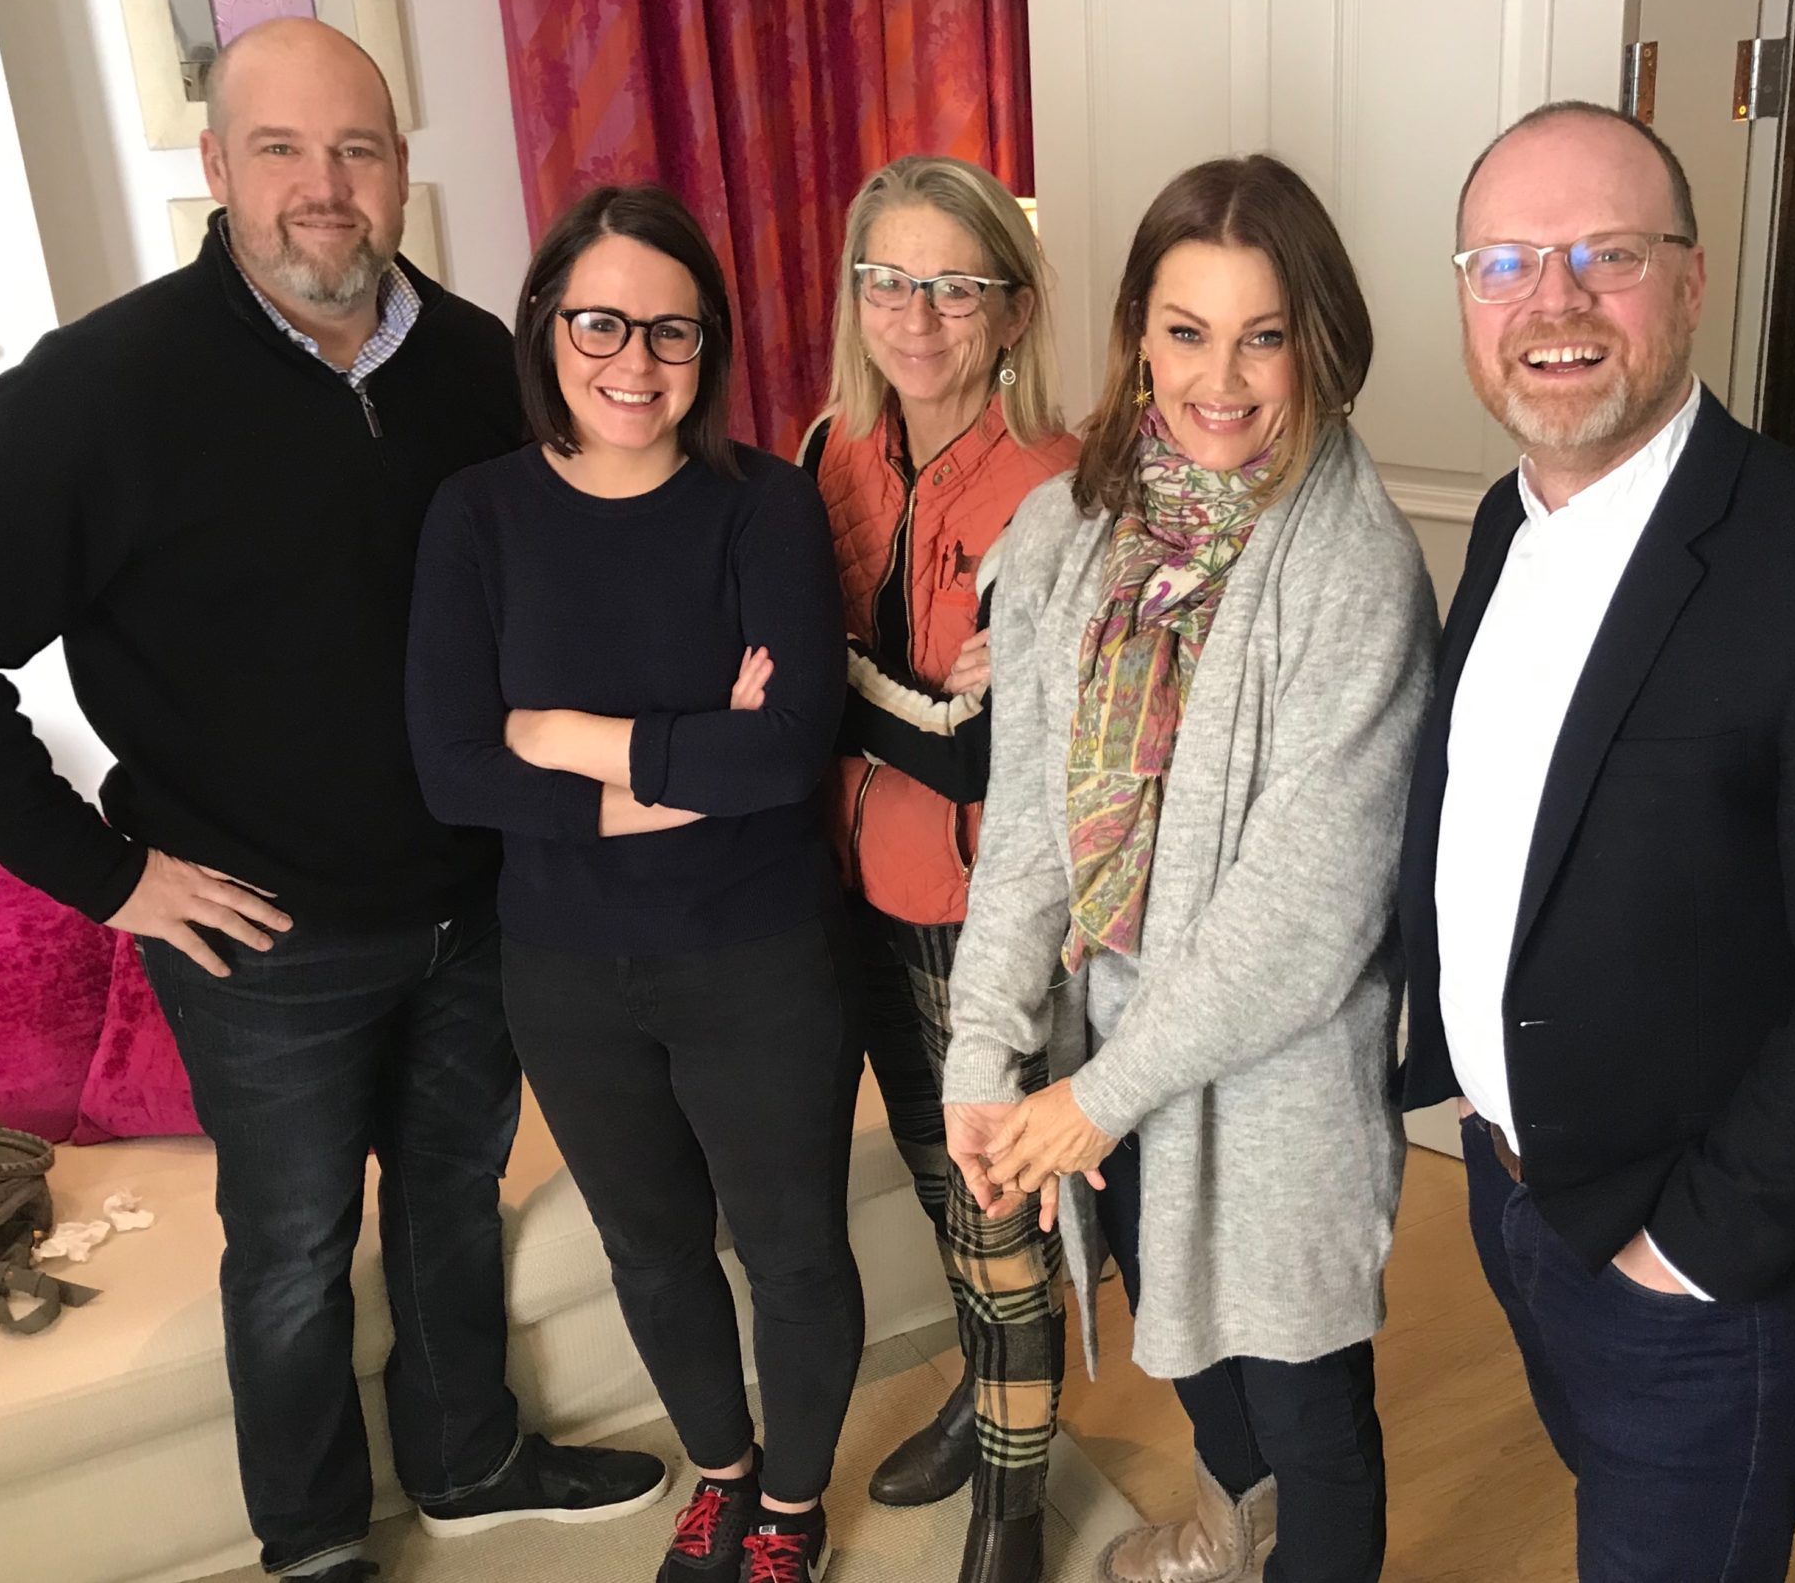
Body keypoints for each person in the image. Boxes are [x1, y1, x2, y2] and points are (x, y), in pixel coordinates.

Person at [0, 19, 664, 1583]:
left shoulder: (492, 365)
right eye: (282, 150)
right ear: (216, 169)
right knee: (286, 1257)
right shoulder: (98, 393)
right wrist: (110, 876)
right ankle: (316, 1541)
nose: (324, 188)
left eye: (359, 149)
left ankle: (469, 1463)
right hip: (256, 943)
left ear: (403, 169)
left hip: (476, 909)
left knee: (454, 1203)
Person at [1397, 100, 1795, 1581]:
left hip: (1711, 1271)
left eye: (1607, 253)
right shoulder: (1501, 523)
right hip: (1520, 1193)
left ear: (1695, 279)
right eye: (1506, 263)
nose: (1554, 302)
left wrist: (1693, 1259)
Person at [940, 155, 1438, 1583]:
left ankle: (1293, 1537)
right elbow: (1034, 817)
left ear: (1318, 341)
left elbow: (1308, 911)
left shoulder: (1353, 571)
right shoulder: (1071, 535)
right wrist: (984, 1048)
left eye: (1262, 334)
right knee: (1178, 1321)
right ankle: (1236, 1527)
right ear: (1136, 334)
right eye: (1186, 330)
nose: (1220, 378)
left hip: (1271, 1074)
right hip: (1116, 1042)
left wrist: (1094, 1099)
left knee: (1302, 1392)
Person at [405, 182, 861, 1583]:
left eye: (672, 331)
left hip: (762, 955)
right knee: (651, 1251)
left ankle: (790, 1506)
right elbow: (456, 773)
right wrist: (681, 765)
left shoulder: (764, 505)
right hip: (565, 967)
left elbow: (786, 757)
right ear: (546, 323)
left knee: (789, 1252)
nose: (635, 362)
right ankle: (719, 1476)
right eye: (600, 321)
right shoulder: (477, 515)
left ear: (708, 345)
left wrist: (570, 741)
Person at [794, 154, 1079, 1583]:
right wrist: (903, 689)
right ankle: (990, 1402)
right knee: (932, 1188)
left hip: (977, 919)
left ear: (1013, 312)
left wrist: (845, 684)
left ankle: (1014, 1517)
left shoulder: (1061, 491)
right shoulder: (821, 450)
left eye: (954, 286)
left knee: (998, 1211)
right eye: (888, 279)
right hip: (841, 893)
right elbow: (818, 696)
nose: (916, 313)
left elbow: (984, 758)